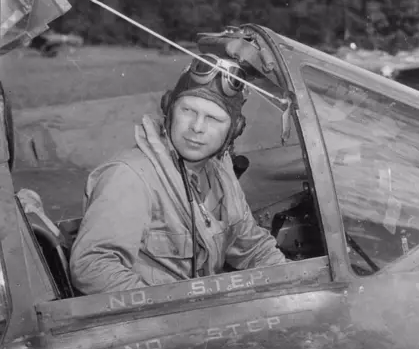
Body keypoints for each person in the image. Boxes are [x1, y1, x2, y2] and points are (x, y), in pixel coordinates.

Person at [69, 53, 287, 295]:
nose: (197, 127)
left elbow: (254, 248)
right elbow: (92, 267)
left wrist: (293, 285)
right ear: (169, 111)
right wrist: (171, 309)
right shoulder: (130, 176)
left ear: (233, 130)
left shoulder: (220, 174)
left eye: (213, 119)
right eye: (188, 111)